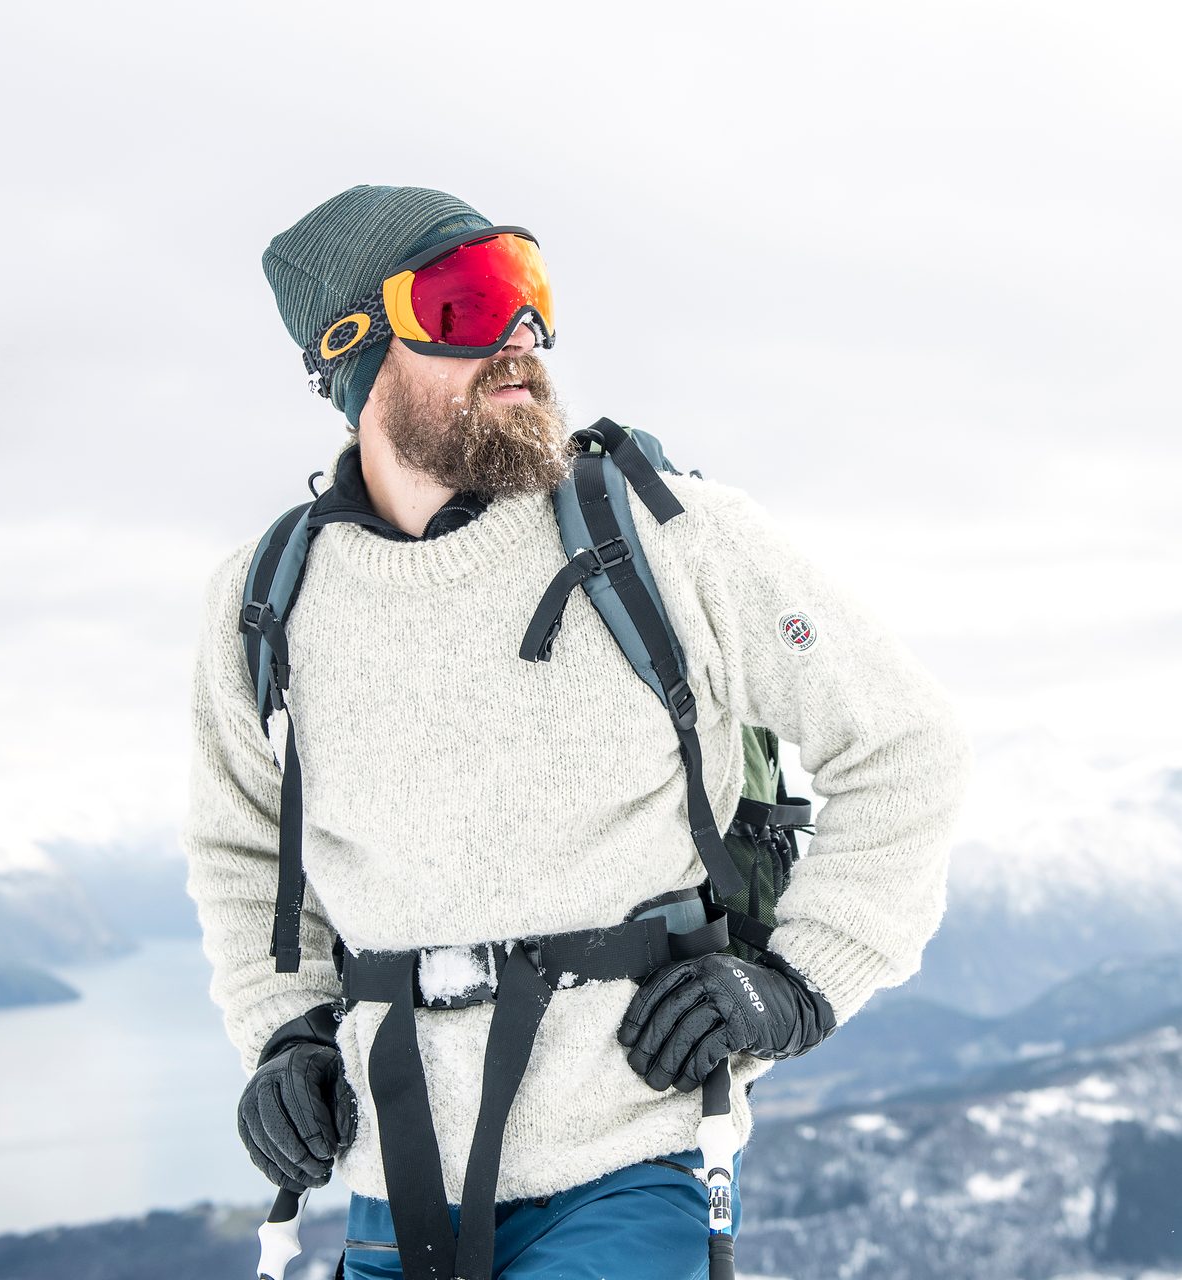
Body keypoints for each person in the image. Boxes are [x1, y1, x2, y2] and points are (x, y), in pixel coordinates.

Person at [181, 183, 972, 1280]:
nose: (519, 339)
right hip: (391, 1174)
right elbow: (242, 848)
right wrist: (287, 1032)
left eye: (529, 295)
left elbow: (905, 747)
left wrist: (797, 980)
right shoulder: (267, 601)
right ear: (353, 350)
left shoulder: (663, 536)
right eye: (464, 303)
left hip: (629, 1157)